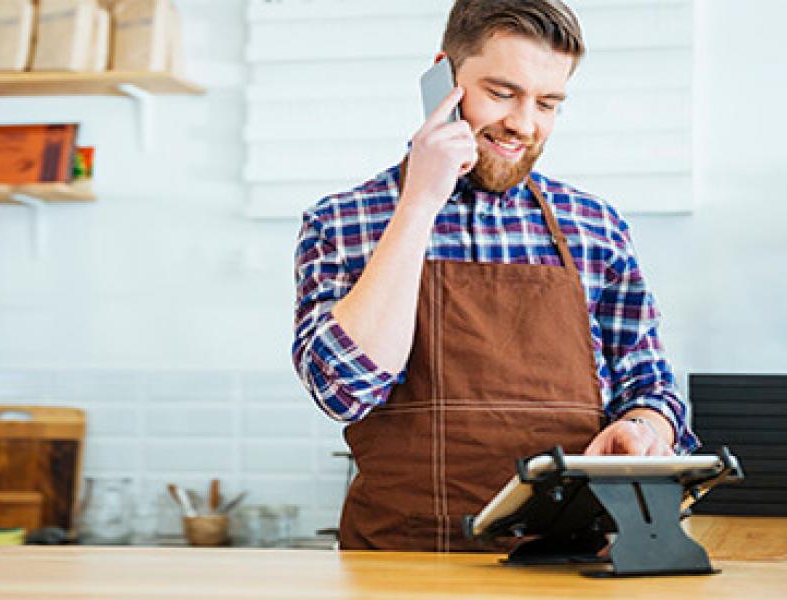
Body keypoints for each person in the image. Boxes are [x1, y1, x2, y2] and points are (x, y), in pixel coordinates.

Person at [292, 0, 699, 552]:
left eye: (548, 102)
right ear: (445, 77)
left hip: (572, 565)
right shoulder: (343, 221)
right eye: (502, 93)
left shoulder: (595, 226)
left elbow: (649, 385)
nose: (524, 124)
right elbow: (345, 390)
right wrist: (419, 204)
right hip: (403, 566)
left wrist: (646, 430)